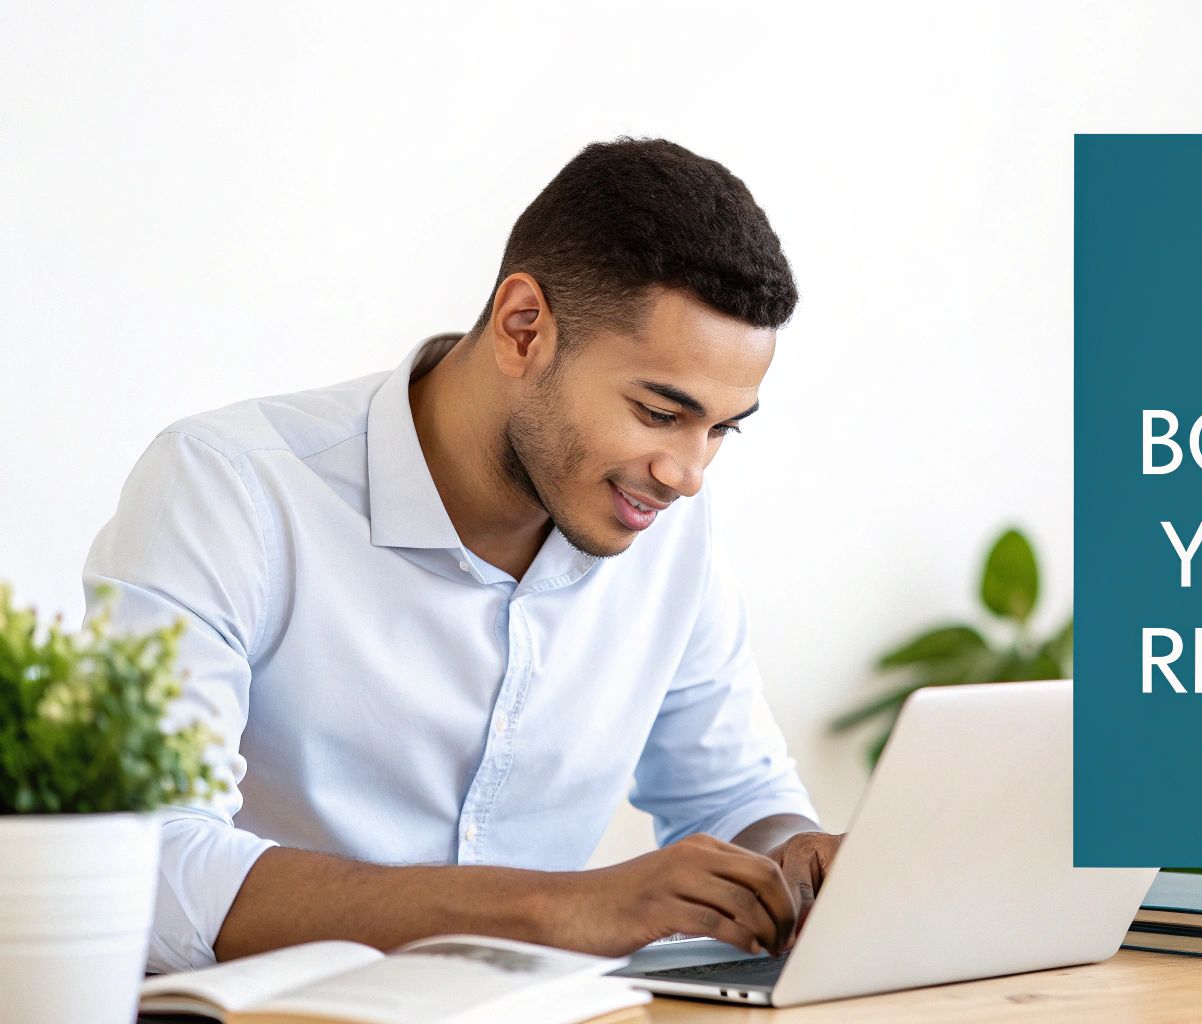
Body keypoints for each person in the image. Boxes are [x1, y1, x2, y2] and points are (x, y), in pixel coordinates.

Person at [82, 138, 839, 974]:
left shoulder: (666, 528)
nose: (689, 475)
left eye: (722, 429)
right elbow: (149, 863)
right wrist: (561, 909)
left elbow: (735, 797)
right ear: (525, 329)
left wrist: (801, 860)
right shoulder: (228, 489)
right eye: (661, 412)